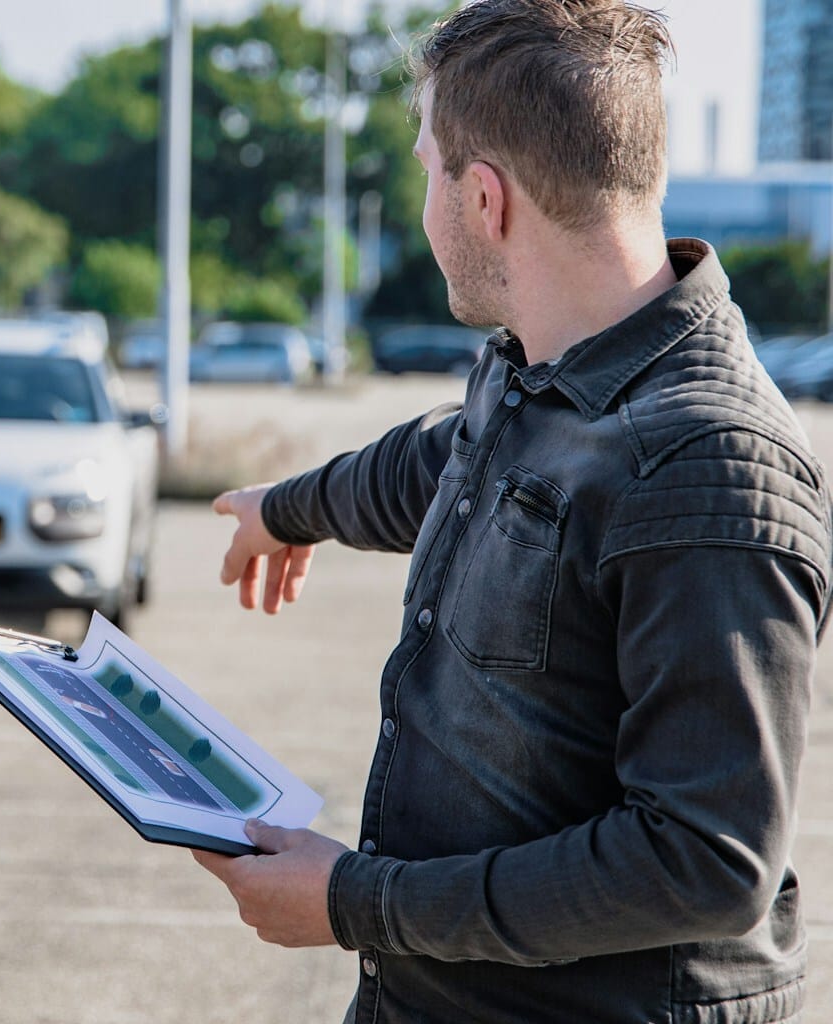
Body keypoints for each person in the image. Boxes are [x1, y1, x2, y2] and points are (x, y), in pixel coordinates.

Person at [193, 1, 828, 1021]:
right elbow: (445, 458)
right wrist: (289, 506)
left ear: (484, 199)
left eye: (427, 167)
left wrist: (357, 900)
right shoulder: (544, 370)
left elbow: (702, 860)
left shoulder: (707, 469)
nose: (425, 198)